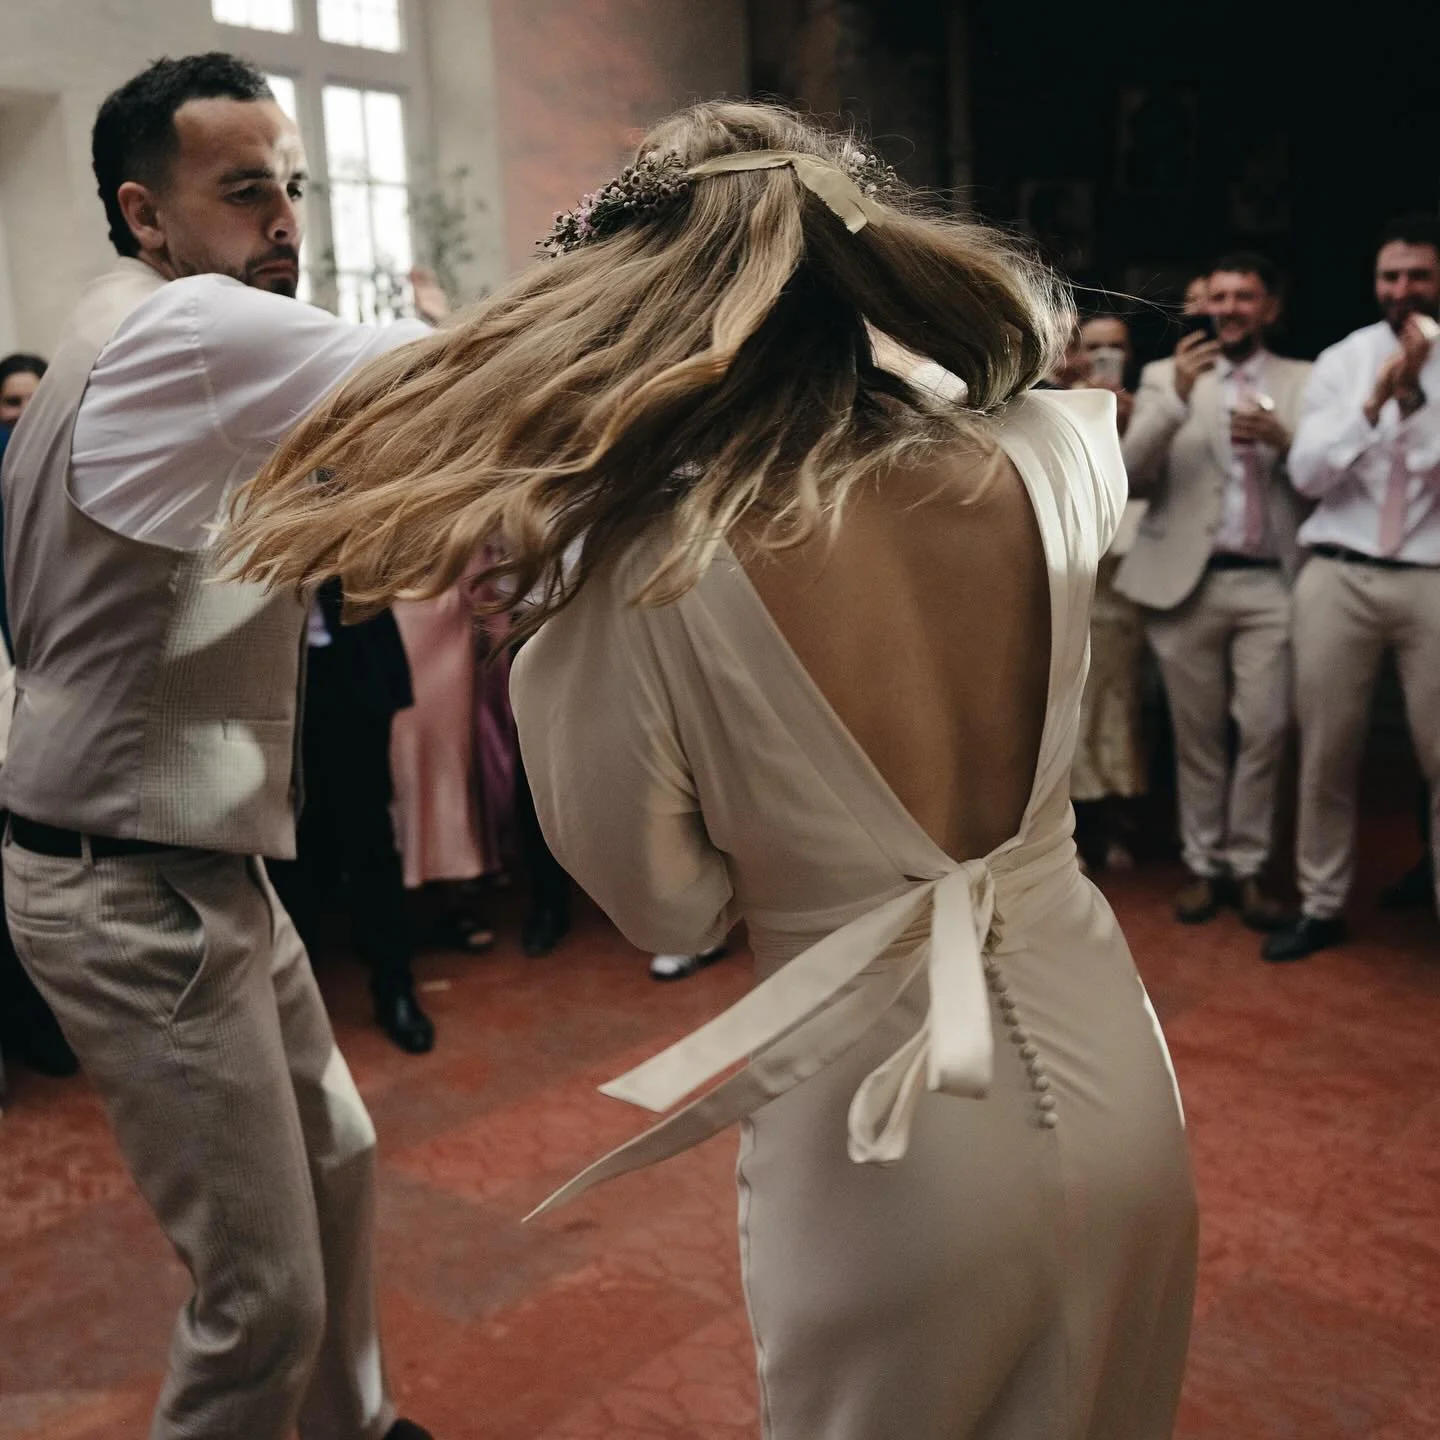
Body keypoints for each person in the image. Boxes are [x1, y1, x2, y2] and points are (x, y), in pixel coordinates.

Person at [226, 101, 1197, 1440]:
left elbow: (673, 911)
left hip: (882, 1137)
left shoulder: (641, 576)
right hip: (1119, 1067)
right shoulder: (1051, 452)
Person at [0, 54, 433, 1440]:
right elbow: (453, 374)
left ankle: (350, 1431)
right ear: (147, 215)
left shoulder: (126, 327)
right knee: (260, 1301)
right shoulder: (186, 325)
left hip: (197, 857)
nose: (286, 219)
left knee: (343, 1161)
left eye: (292, 186)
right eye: (244, 192)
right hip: (128, 875)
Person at [1115, 255, 1311, 929]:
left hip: (1271, 585)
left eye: (1245, 296)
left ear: (1269, 308)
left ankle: (1250, 869)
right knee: (1196, 737)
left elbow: (1326, 479)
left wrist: (1285, 440)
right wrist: (1173, 399)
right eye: (1220, 296)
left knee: (1265, 730)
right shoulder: (1166, 377)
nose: (1230, 307)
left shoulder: (1305, 381)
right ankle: (1203, 866)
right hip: (1186, 587)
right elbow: (1131, 479)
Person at [1265, 216, 1440, 962]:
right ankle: (1322, 904)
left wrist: (1419, 400)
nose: (1401, 291)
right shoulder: (1343, 361)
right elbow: (1308, 474)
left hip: (1433, 578)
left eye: (1417, 277)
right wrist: (1376, 401)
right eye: (1390, 277)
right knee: (1328, 751)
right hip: (1338, 572)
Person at [267, 584, 436, 1053]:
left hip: (351, 670)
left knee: (370, 840)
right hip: (269, 683)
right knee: (288, 848)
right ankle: (298, 1004)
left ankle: (395, 990)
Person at [1070, 314, 1148, 872]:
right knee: (1069, 704)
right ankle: (1075, 824)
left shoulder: (1151, 408)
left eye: (1113, 347)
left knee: (1120, 701)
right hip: (1073, 571)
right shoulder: (1055, 404)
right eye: (1090, 346)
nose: (1100, 356)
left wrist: (1129, 425)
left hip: (1129, 578)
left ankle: (1122, 819)